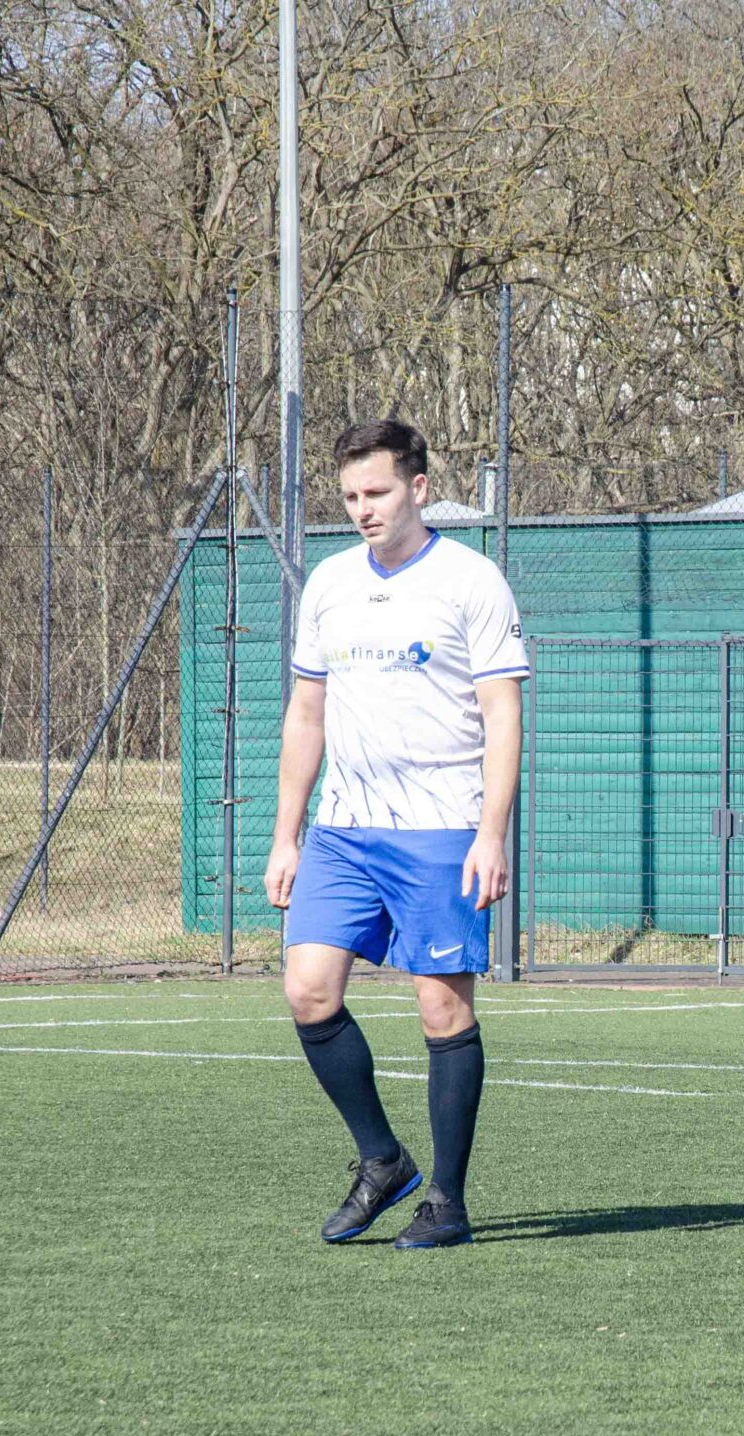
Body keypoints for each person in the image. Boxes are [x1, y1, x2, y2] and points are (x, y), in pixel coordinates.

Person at [263, 418, 529, 1251]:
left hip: (440, 827)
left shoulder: (471, 580)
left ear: (419, 487)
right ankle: (383, 1160)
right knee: (308, 990)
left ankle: (446, 1201)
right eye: (349, 497)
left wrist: (491, 833)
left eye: (375, 492)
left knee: (441, 1008)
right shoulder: (329, 583)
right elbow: (307, 712)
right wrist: (286, 835)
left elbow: (503, 713)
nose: (362, 509)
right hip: (343, 830)